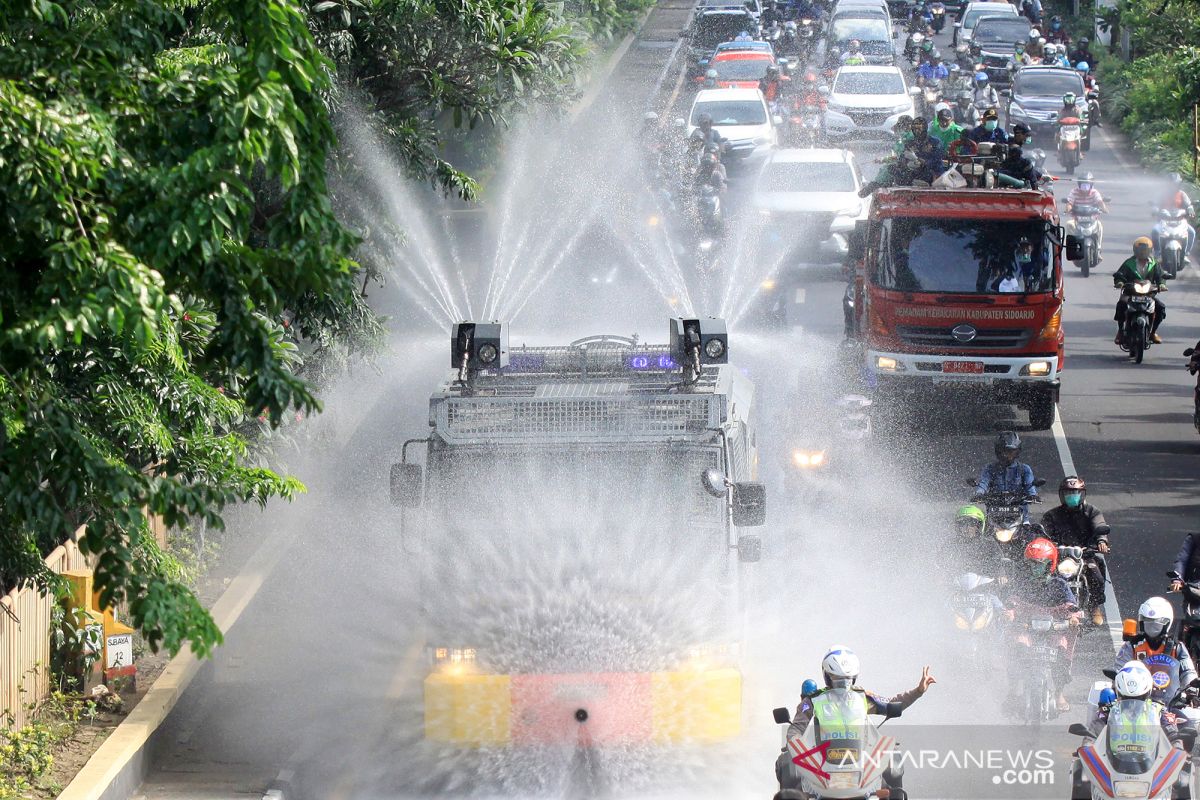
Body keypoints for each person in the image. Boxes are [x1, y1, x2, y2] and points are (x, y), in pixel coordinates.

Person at [775, 647, 935, 796]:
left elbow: (891, 703)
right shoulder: (812, 700)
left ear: (854, 677)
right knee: (786, 763)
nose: (843, 684)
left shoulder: (862, 696)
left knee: (894, 760)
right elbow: (796, 727)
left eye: (847, 679)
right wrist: (795, 743)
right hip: (820, 760)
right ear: (827, 676)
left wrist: (918, 691)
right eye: (836, 678)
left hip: (862, 758)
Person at [1003, 537, 1082, 711]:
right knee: (1017, 648)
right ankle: (1013, 691)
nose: (1035, 568)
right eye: (1031, 564)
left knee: (1062, 654)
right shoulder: (1021, 584)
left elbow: (1071, 605)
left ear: (1050, 564)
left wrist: (1073, 618)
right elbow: (1012, 603)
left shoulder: (1059, 584)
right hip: (1027, 629)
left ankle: (1059, 693)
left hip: (1054, 630)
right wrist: (1008, 614)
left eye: (1039, 564)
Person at [1041, 476, 1111, 626]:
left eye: (1075, 493)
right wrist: (1044, 544)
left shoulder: (1092, 511)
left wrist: (1101, 541)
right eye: (1068, 493)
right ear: (1062, 495)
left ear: (1082, 494)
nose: (1071, 496)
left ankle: (1094, 607)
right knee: (1043, 576)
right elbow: (1042, 533)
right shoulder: (1051, 515)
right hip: (1059, 556)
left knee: (1097, 577)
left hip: (1084, 555)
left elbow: (1100, 526)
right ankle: (1045, 608)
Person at [1113, 597, 1198, 705]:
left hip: (1170, 701)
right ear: (1142, 623)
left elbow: (1188, 671)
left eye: (1156, 624)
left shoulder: (1176, 647)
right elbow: (1119, 669)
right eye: (1148, 623)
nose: (1152, 628)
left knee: (1193, 717)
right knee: (1107, 699)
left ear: (1166, 624)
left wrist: (1191, 689)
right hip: (1135, 699)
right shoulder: (1132, 646)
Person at [1086, 661, 1184, 745]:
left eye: (1139, 698)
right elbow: (1094, 731)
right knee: (1079, 763)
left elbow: (1171, 730)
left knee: (1185, 765)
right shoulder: (1109, 709)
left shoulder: (1157, 709)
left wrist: (1177, 743)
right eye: (1126, 698)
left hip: (1152, 762)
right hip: (1111, 761)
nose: (1132, 704)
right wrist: (1088, 743)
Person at [1113, 237, 1167, 345]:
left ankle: (1153, 332)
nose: (1142, 252)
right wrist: (1119, 282)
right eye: (1140, 249)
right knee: (1121, 304)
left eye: (1145, 250)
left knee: (1160, 307)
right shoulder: (1129, 263)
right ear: (1135, 250)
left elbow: (1160, 276)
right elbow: (1120, 275)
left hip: (1148, 295)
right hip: (1130, 294)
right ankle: (1120, 331)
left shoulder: (1154, 264)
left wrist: (1161, 284)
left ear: (1150, 250)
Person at [974, 431, 1038, 519]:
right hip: (994, 516)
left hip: (1020, 517)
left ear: (1017, 451)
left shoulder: (1024, 469)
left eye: (1011, 451)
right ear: (998, 451)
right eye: (1004, 451)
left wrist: (1033, 496)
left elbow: (1030, 486)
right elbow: (983, 483)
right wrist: (979, 494)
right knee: (977, 529)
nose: (1007, 455)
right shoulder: (990, 468)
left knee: (1035, 531)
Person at [1152, 172, 1197, 261]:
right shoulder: (1162, 194)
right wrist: (1155, 209)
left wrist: (1190, 209)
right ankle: (1158, 252)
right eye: (1171, 184)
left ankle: (1186, 253)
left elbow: (1188, 204)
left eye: (1175, 184)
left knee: (1191, 232)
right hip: (1164, 221)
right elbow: (1156, 204)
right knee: (1155, 231)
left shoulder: (1182, 194)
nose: (1173, 186)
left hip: (1180, 221)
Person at [1066, 172, 1108, 250]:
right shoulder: (1074, 192)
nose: (1085, 188)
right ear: (1079, 185)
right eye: (1083, 186)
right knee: (1069, 224)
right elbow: (1070, 203)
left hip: (1092, 219)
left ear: (1091, 185)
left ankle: (1098, 247)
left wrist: (1104, 209)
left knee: (1099, 226)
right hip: (1076, 219)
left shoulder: (1095, 192)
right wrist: (1068, 209)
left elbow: (1100, 202)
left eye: (1087, 186)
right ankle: (1071, 247)